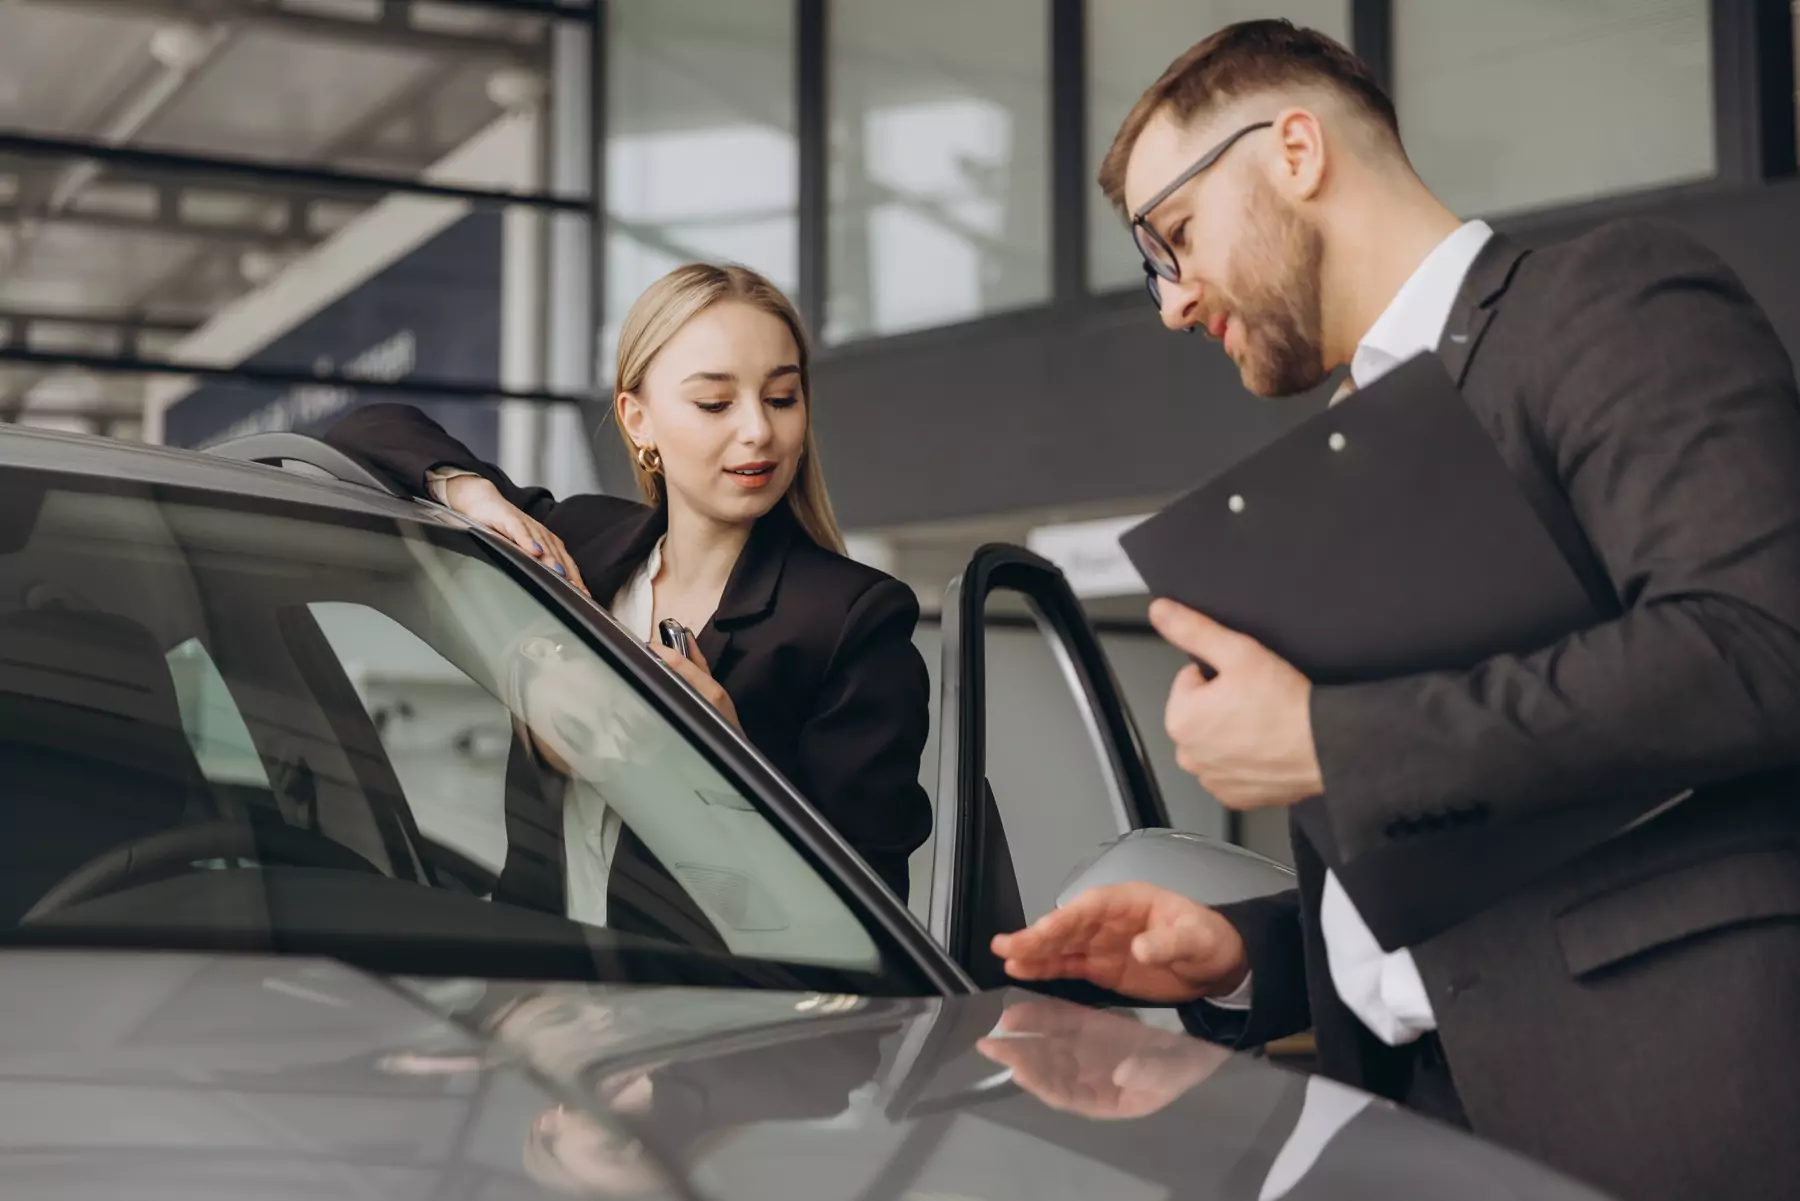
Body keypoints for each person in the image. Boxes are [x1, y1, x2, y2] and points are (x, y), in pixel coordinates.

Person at [992, 19, 1800, 1201]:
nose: (1170, 302)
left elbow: (1760, 645)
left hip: (1662, 1112)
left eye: (1174, 238)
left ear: (1297, 152)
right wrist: (1242, 955)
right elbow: (1457, 885)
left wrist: (1326, 738)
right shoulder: (1335, 460)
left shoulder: (1609, 301)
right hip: (1409, 1128)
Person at [326, 263, 931, 906]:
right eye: (715, 403)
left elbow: (871, 909)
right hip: (534, 983)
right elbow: (367, 432)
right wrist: (472, 494)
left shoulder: (854, 622)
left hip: (722, 1001)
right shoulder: (579, 544)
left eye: (781, 398)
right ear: (637, 420)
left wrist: (728, 764)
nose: (758, 429)